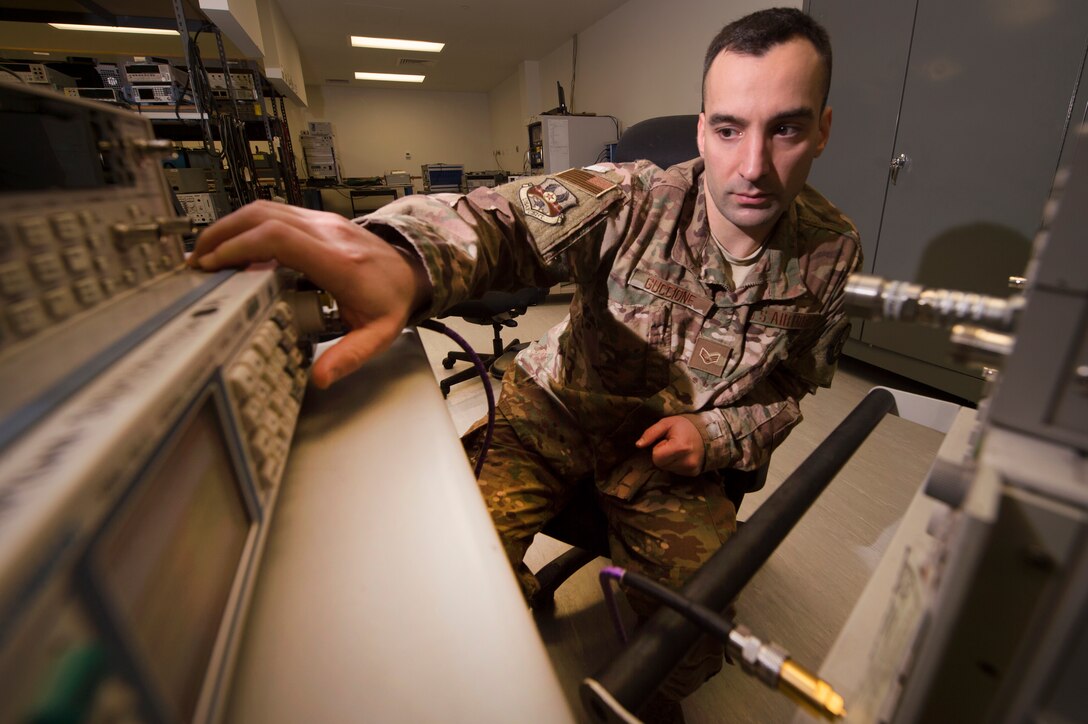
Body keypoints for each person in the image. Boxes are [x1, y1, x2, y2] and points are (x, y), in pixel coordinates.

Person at [191, 7, 860, 720]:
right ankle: (525, 594)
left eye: (785, 128)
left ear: (821, 129)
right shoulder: (634, 197)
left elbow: (793, 385)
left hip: (661, 459)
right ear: (701, 130)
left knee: (693, 642)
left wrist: (719, 438)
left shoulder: (832, 252)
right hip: (548, 418)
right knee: (447, 604)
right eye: (728, 129)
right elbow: (507, 220)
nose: (752, 164)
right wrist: (404, 256)